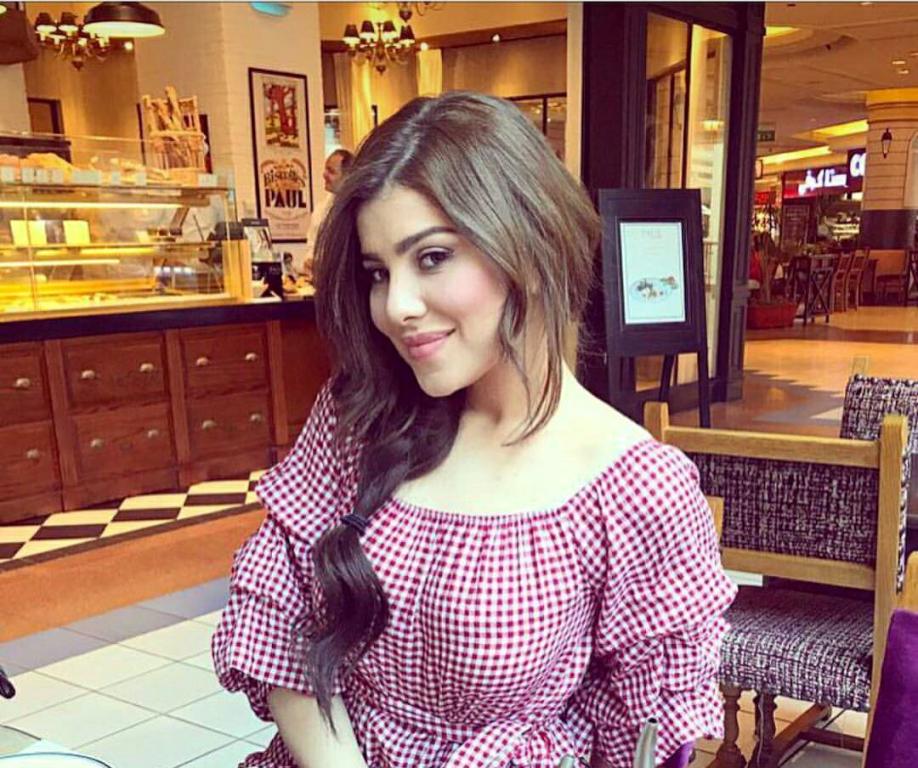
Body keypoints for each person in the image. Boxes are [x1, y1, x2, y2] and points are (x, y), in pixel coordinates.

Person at [212, 91, 736, 768]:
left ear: (531, 243)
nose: (396, 306)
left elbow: (644, 736)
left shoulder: (636, 488)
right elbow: (279, 615)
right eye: (378, 273)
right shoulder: (358, 418)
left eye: (432, 258)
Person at [297, 149, 354, 279]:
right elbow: (312, 243)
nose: (324, 174)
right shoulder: (321, 209)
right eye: (325, 169)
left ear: (347, 176)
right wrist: (310, 260)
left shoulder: (357, 210)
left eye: (331, 171)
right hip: (322, 281)